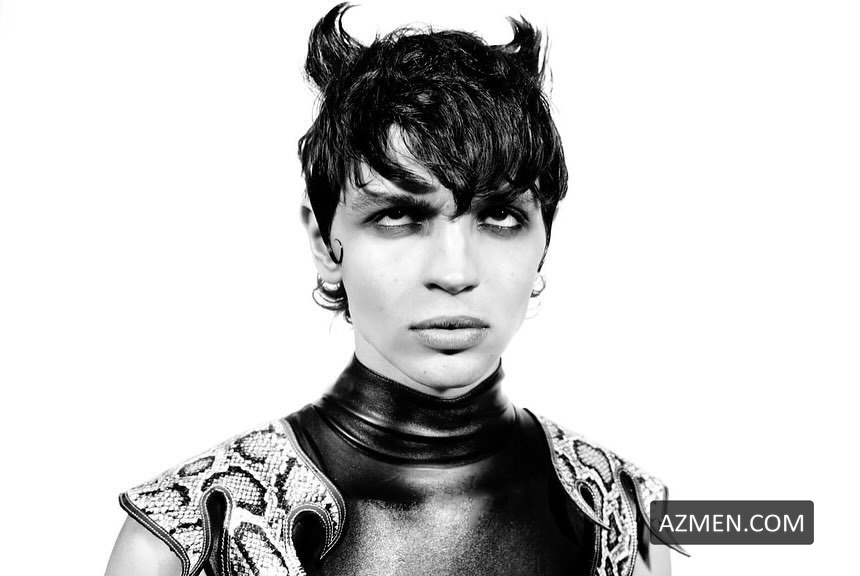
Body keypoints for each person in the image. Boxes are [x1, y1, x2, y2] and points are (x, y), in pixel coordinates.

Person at [105, 4, 686, 575]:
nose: (454, 272)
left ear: (545, 241)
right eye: (398, 216)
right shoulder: (188, 538)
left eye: (500, 216)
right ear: (325, 242)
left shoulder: (629, 516)